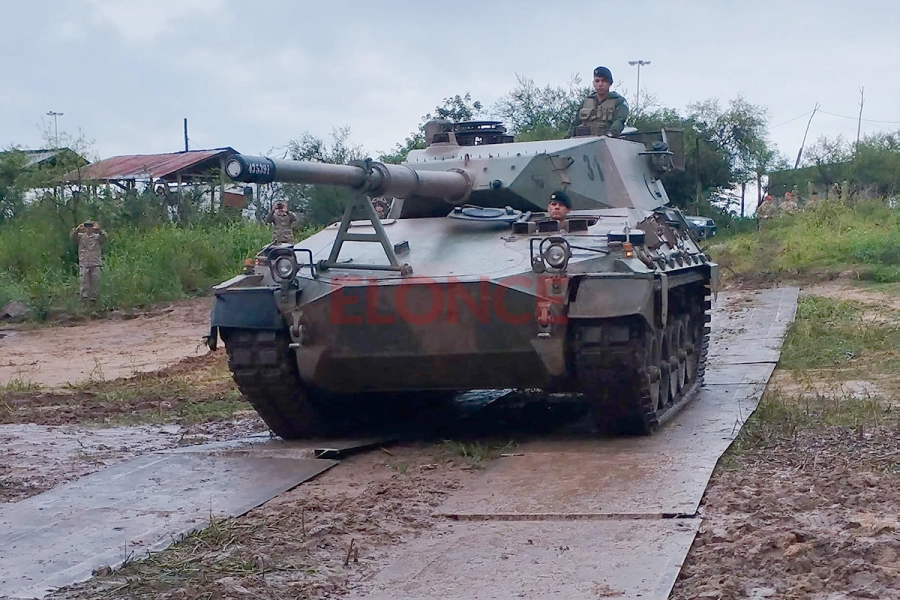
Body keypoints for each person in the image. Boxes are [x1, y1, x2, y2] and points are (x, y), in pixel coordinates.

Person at [566, 66, 630, 138]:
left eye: (604, 81)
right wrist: (567, 138)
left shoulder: (618, 101)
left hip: (606, 142)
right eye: (597, 81)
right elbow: (575, 123)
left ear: (610, 83)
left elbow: (620, 121)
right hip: (582, 141)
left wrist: (610, 134)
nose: (600, 84)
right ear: (593, 83)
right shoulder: (586, 102)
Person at [69, 220, 108, 303]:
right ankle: (84, 299)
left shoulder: (97, 237)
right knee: (84, 282)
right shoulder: (80, 237)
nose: (88, 228)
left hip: (95, 262)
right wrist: (77, 229)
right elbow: (72, 237)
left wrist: (99, 229)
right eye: (87, 226)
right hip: (84, 263)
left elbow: (105, 237)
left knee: (95, 281)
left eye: (90, 226)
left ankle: (94, 299)